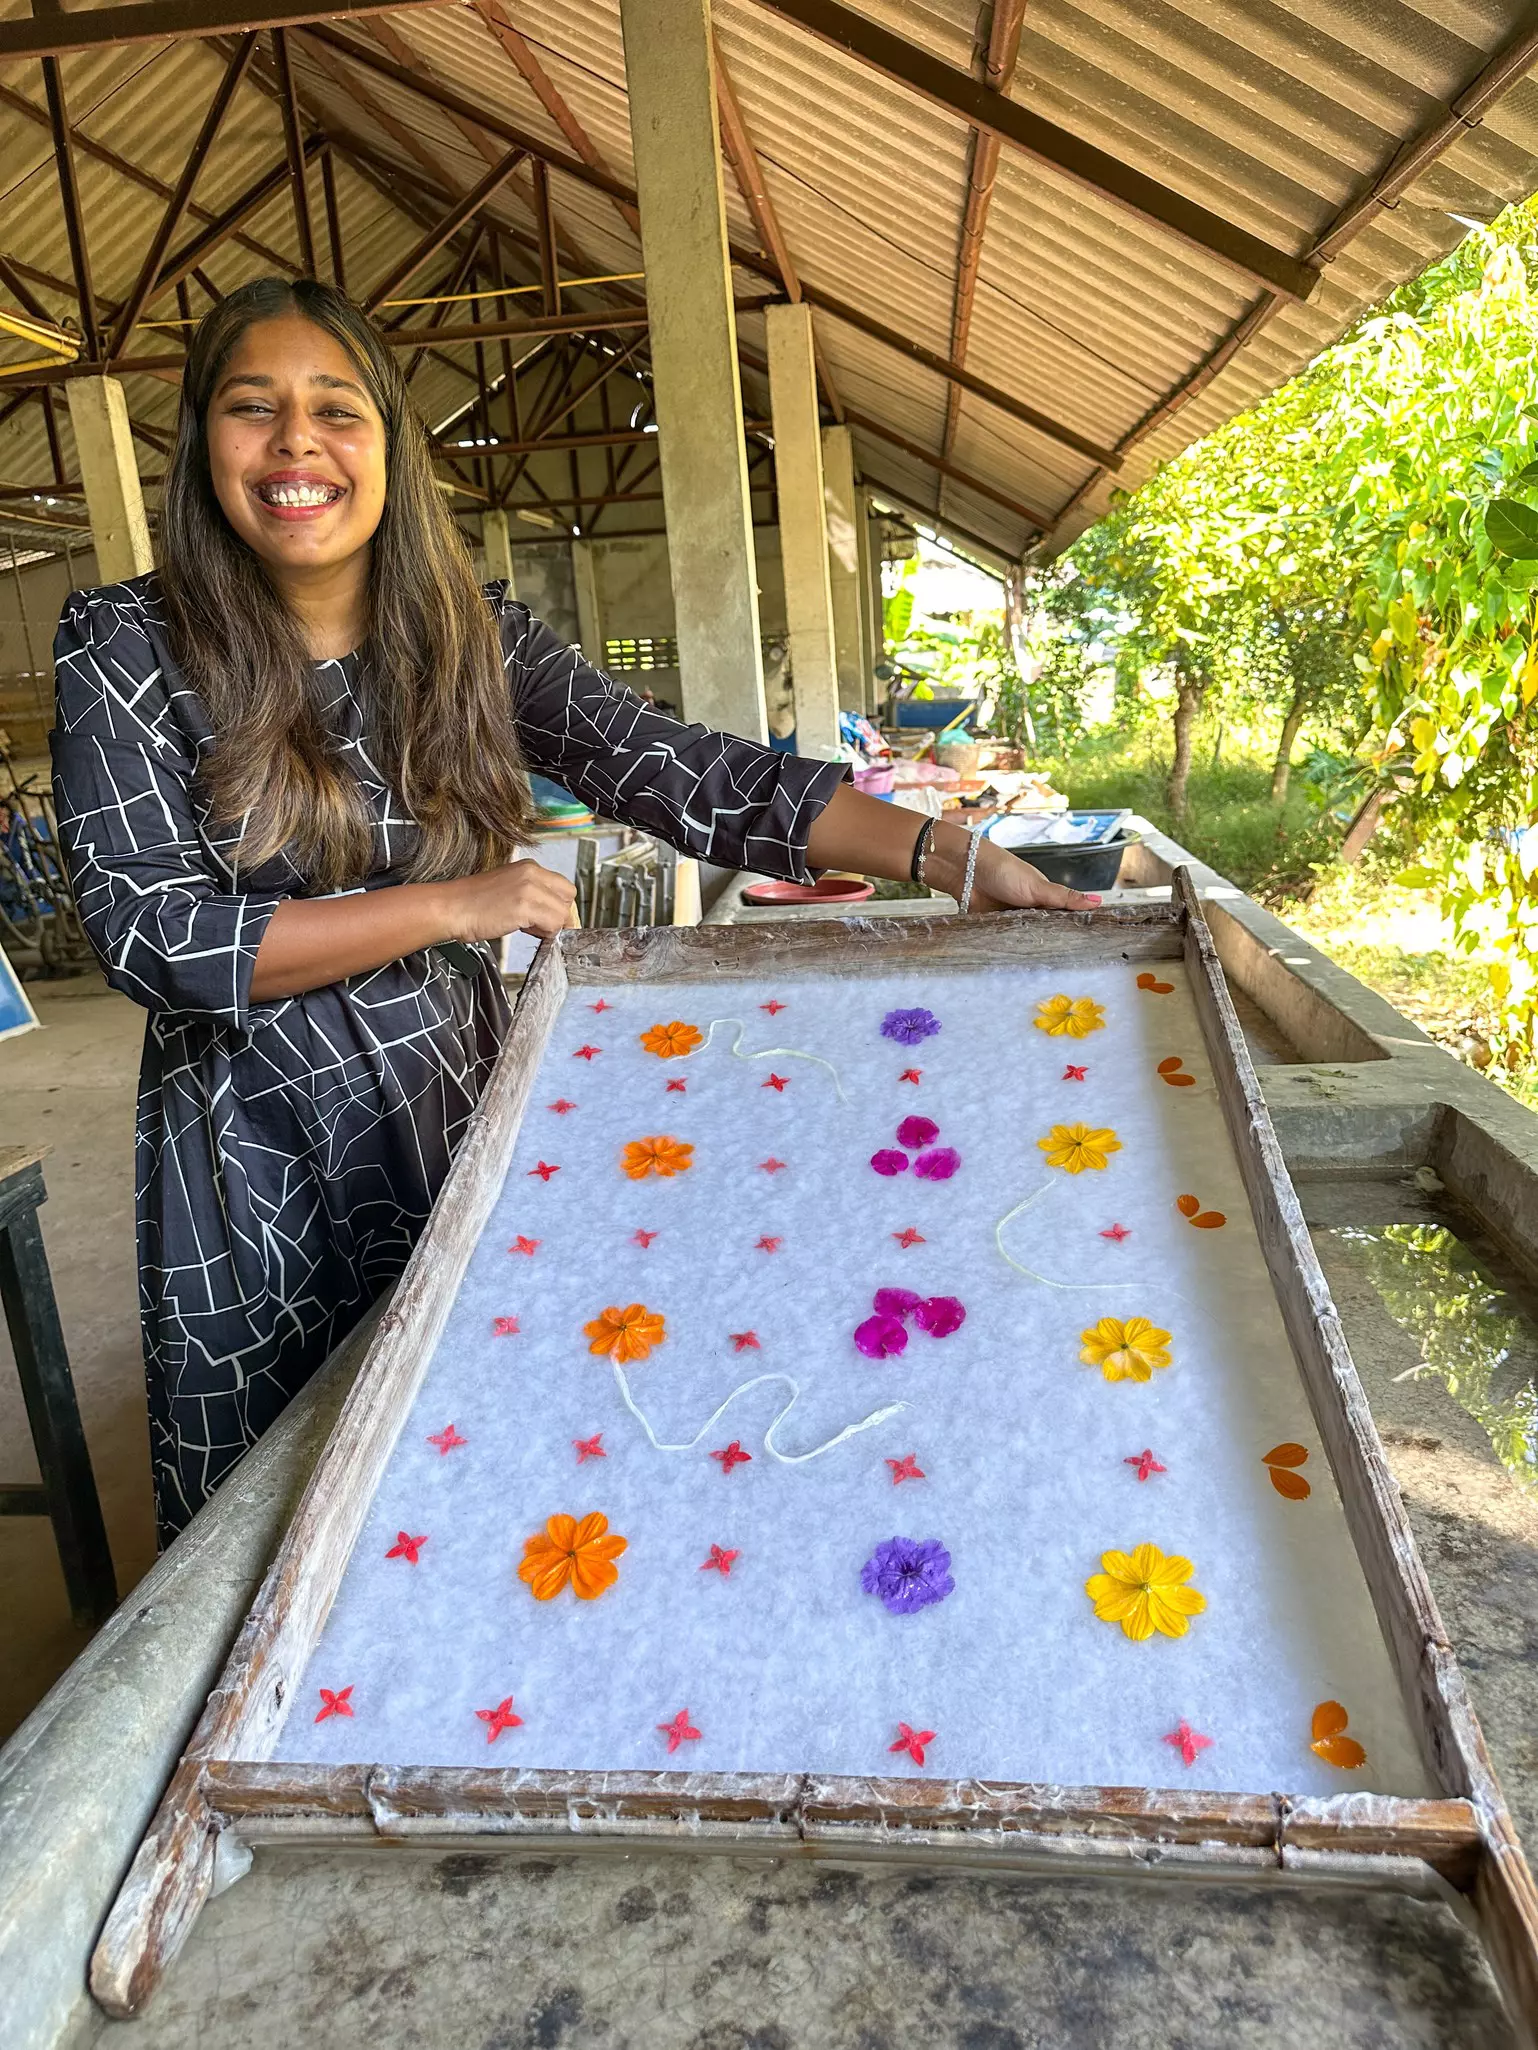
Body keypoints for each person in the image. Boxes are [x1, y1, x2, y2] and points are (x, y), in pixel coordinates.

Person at [51, 277, 1095, 1545]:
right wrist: (451, 906)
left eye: (336, 411)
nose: (295, 447)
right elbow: (156, 936)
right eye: (251, 409)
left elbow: (691, 775)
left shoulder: (462, 633)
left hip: (450, 1106)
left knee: (476, 1461)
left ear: (388, 442)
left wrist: (952, 855)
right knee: (269, 1522)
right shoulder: (126, 639)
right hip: (249, 1150)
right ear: (202, 444)